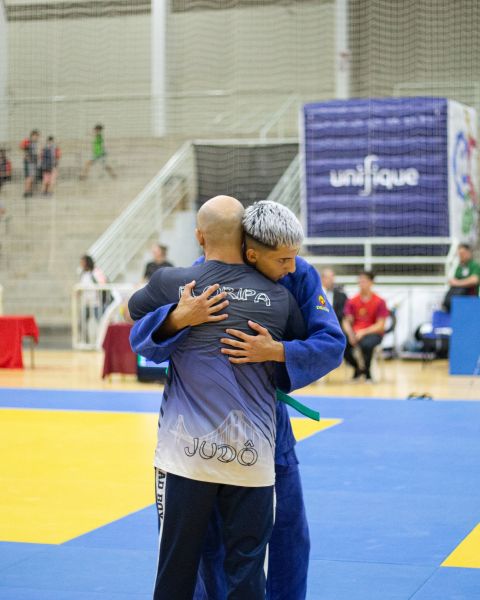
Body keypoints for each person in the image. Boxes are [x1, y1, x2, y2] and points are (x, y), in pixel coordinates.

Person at [130, 200, 346, 600]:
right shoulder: (194, 277)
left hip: (264, 437)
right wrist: (178, 318)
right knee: (192, 550)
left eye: (292, 258)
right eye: (282, 259)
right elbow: (139, 328)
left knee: (282, 540)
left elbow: (330, 343)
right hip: (192, 440)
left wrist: (277, 351)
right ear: (250, 251)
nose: (291, 266)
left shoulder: (296, 275)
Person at [342, 270, 389, 381]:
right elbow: (346, 320)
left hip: (373, 333)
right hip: (355, 333)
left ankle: (368, 373)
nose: (361, 284)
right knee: (341, 343)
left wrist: (364, 332)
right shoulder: (352, 301)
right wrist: (350, 334)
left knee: (366, 344)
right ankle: (358, 368)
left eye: (364, 281)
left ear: (371, 283)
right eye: (360, 282)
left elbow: (381, 325)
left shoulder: (379, 301)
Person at [442, 243, 480, 312]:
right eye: (459, 254)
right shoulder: (459, 267)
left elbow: (475, 280)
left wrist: (458, 283)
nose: (461, 256)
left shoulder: (474, 265)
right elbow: (453, 281)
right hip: (458, 300)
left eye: (463, 253)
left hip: (470, 299)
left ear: (469, 253)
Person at [20, 130, 40, 197]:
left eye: (37, 136)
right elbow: (22, 147)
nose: (37, 137)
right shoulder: (28, 142)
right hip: (29, 163)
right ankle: (26, 192)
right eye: (36, 136)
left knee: (31, 177)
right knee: (29, 177)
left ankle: (30, 191)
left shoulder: (35, 143)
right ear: (33, 135)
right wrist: (26, 156)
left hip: (33, 163)